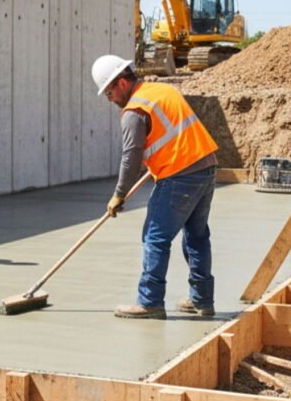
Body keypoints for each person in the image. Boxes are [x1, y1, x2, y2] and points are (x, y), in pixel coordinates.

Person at [92, 54, 219, 319]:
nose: (110, 100)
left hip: (180, 175)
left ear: (122, 83)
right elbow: (172, 134)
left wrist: (118, 195)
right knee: (197, 236)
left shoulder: (134, 112)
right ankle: (202, 300)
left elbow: (131, 158)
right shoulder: (162, 90)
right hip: (206, 168)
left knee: (155, 237)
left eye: (109, 93)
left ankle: (150, 302)